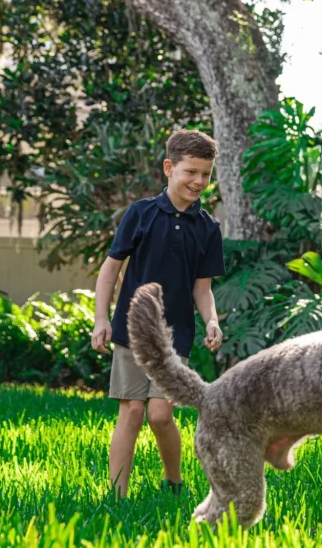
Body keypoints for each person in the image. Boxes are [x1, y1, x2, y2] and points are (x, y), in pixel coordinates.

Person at [90, 129, 226, 499]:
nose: (199, 181)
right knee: (132, 412)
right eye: (191, 172)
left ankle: (174, 482)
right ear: (169, 168)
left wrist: (211, 320)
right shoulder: (141, 214)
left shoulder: (208, 228)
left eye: (206, 174)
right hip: (131, 329)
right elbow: (110, 270)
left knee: (160, 415)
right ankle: (116, 497)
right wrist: (101, 318)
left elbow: (203, 288)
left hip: (175, 333)